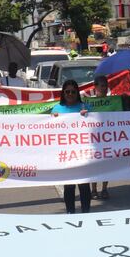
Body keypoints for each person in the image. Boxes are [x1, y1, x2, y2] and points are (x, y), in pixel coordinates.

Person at [50, 80, 91, 213]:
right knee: (69, 185)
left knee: (84, 185)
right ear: (63, 93)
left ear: (77, 93)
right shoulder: (57, 108)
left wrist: (88, 116)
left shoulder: (85, 106)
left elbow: (94, 126)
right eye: (67, 91)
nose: (70, 94)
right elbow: (49, 130)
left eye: (73, 91)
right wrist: (52, 119)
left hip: (82, 152)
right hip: (66, 153)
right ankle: (70, 212)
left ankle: (86, 212)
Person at [91, 72, 113, 201]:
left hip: (109, 138)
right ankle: (93, 189)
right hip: (94, 139)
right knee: (94, 165)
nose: (104, 88)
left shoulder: (112, 101)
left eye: (106, 85)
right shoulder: (89, 102)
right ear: (95, 87)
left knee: (106, 165)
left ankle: (104, 188)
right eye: (101, 86)